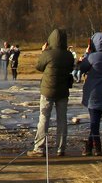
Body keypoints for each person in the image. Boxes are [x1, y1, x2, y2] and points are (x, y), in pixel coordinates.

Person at [29, 28, 74, 157]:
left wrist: (43, 51)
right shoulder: (69, 55)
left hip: (47, 91)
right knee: (62, 120)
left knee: (44, 118)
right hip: (63, 91)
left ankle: (39, 147)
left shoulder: (48, 54)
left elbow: (39, 67)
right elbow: (71, 67)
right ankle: (61, 148)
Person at [77, 32, 102, 156]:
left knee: (94, 122)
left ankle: (97, 147)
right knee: (96, 119)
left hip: (93, 91)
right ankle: (89, 147)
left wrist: (86, 53)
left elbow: (82, 67)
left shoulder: (93, 56)